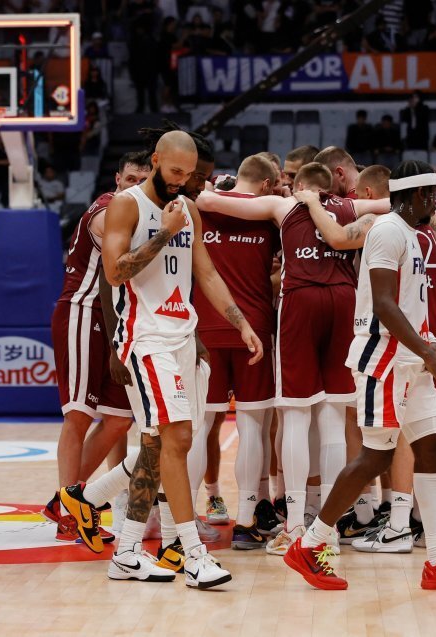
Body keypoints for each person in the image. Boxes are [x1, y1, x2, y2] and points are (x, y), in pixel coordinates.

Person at [62, 130, 262, 586]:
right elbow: (115, 272)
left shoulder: (188, 208)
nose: (182, 181)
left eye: (188, 175)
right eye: (175, 171)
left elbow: (206, 273)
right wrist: (165, 233)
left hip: (182, 336)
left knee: (157, 446)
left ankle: (123, 548)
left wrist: (240, 322)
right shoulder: (126, 205)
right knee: (179, 437)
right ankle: (190, 553)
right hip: (145, 337)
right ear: (155, 160)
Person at [283, 161, 436, 591]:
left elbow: (411, 305)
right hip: (383, 358)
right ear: (413, 196)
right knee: (376, 456)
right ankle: (310, 543)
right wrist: (429, 353)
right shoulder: (386, 231)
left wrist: (428, 349)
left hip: (412, 360)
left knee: (431, 447)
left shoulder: (416, 234)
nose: (435, 203)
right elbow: (383, 303)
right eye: (430, 196)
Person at [194, 162, 392, 556]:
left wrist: (216, 186)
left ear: (299, 186)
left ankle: (296, 525)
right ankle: (327, 529)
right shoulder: (353, 207)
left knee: (295, 417)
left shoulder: (283, 206)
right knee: (332, 419)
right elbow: (398, 204)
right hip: (344, 300)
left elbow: (209, 201)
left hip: (299, 301)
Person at [45, 151, 148, 543]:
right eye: (130, 179)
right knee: (78, 415)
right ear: (117, 180)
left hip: (114, 321)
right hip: (82, 311)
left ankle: (70, 501)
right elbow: (120, 266)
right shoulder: (107, 210)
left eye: (143, 181)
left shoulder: (140, 211)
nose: (135, 186)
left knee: (120, 419)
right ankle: (68, 513)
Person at [191, 153, 282, 551]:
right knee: (252, 427)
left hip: (206, 327)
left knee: (200, 426)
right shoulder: (270, 213)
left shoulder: (201, 206)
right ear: (266, 184)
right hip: (254, 328)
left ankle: (184, 520)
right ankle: (246, 522)